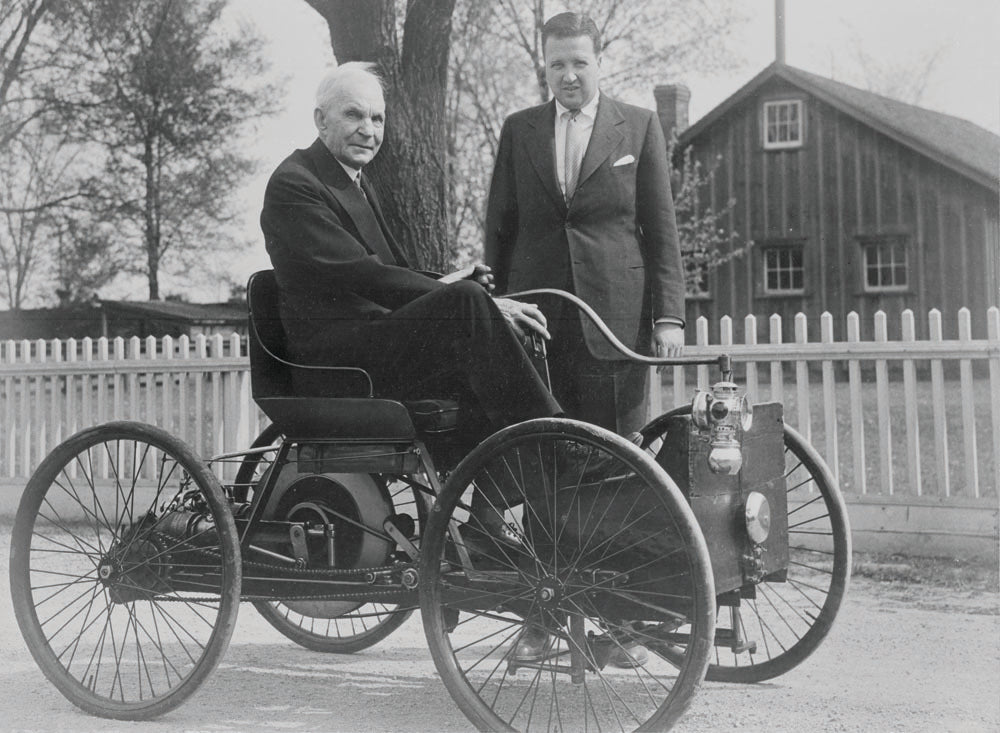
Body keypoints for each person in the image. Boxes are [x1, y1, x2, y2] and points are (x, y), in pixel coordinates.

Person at [260, 62, 561, 456]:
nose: (368, 130)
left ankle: (496, 498)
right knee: (470, 303)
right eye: (353, 114)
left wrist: (450, 281)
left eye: (377, 118)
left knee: (493, 329)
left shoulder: (354, 180)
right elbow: (363, 274)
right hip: (334, 364)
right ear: (321, 120)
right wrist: (472, 300)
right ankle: (556, 442)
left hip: (368, 344)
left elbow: (387, 271)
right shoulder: (295, 184)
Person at [485, 11, 686, 438]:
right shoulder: (519, 129)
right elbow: (499, 231)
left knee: (614, 451)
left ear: (599, 62)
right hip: (536, 317)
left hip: (615, 318)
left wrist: (669, 317)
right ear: (545, 67)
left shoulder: (639, 126)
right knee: (538, 448)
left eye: (579, 63)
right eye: (557, 64)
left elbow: (662, 231)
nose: (569, 76)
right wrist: (498, 308)